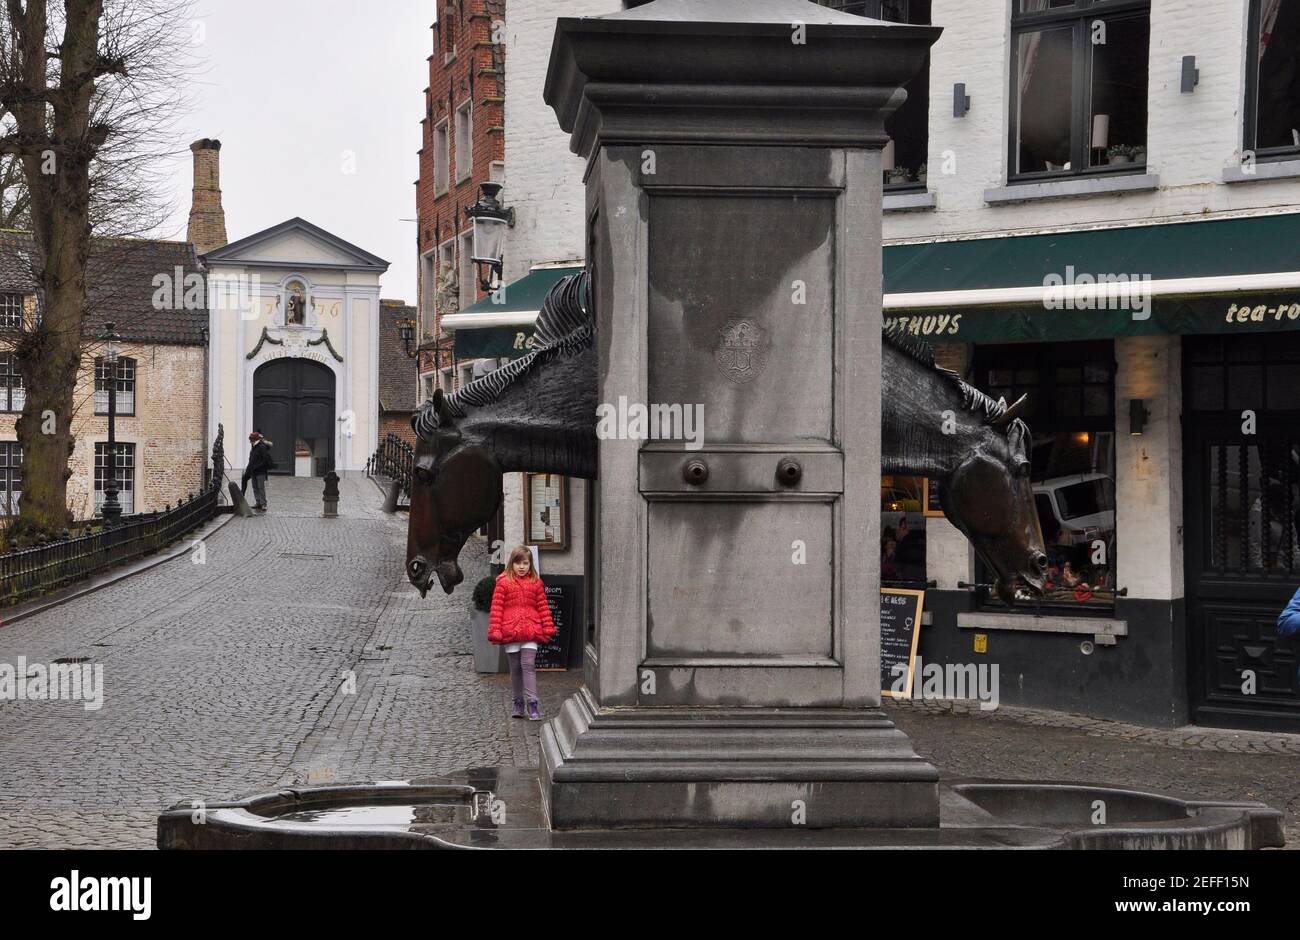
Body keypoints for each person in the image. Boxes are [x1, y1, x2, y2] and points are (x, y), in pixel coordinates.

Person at [488, 546, 557, 721]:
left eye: (525, 563)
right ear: (512, 563)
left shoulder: (536, 582)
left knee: (528, 664)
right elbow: (497, 608)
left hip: (530, 630)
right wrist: (495, 630)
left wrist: (548, 627)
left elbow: (543, 607)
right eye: (518, 563)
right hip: (511, 630)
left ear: (530, 564)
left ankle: (532, 703)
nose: (521, 567)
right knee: (515, 668)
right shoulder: (503, 582)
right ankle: (518, 702)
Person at [242, 430, 275, 512]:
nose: (250, 441)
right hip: (253, 471)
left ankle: (263, 504)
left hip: (260, 471)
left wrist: (257, 467)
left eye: (251, 439)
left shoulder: (261, 447)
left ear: (254, 439)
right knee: (255, 487)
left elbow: (265, 460)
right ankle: (258, 502)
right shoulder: (254, 446)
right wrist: (249, 469)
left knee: (260, 487)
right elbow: (251, 460)